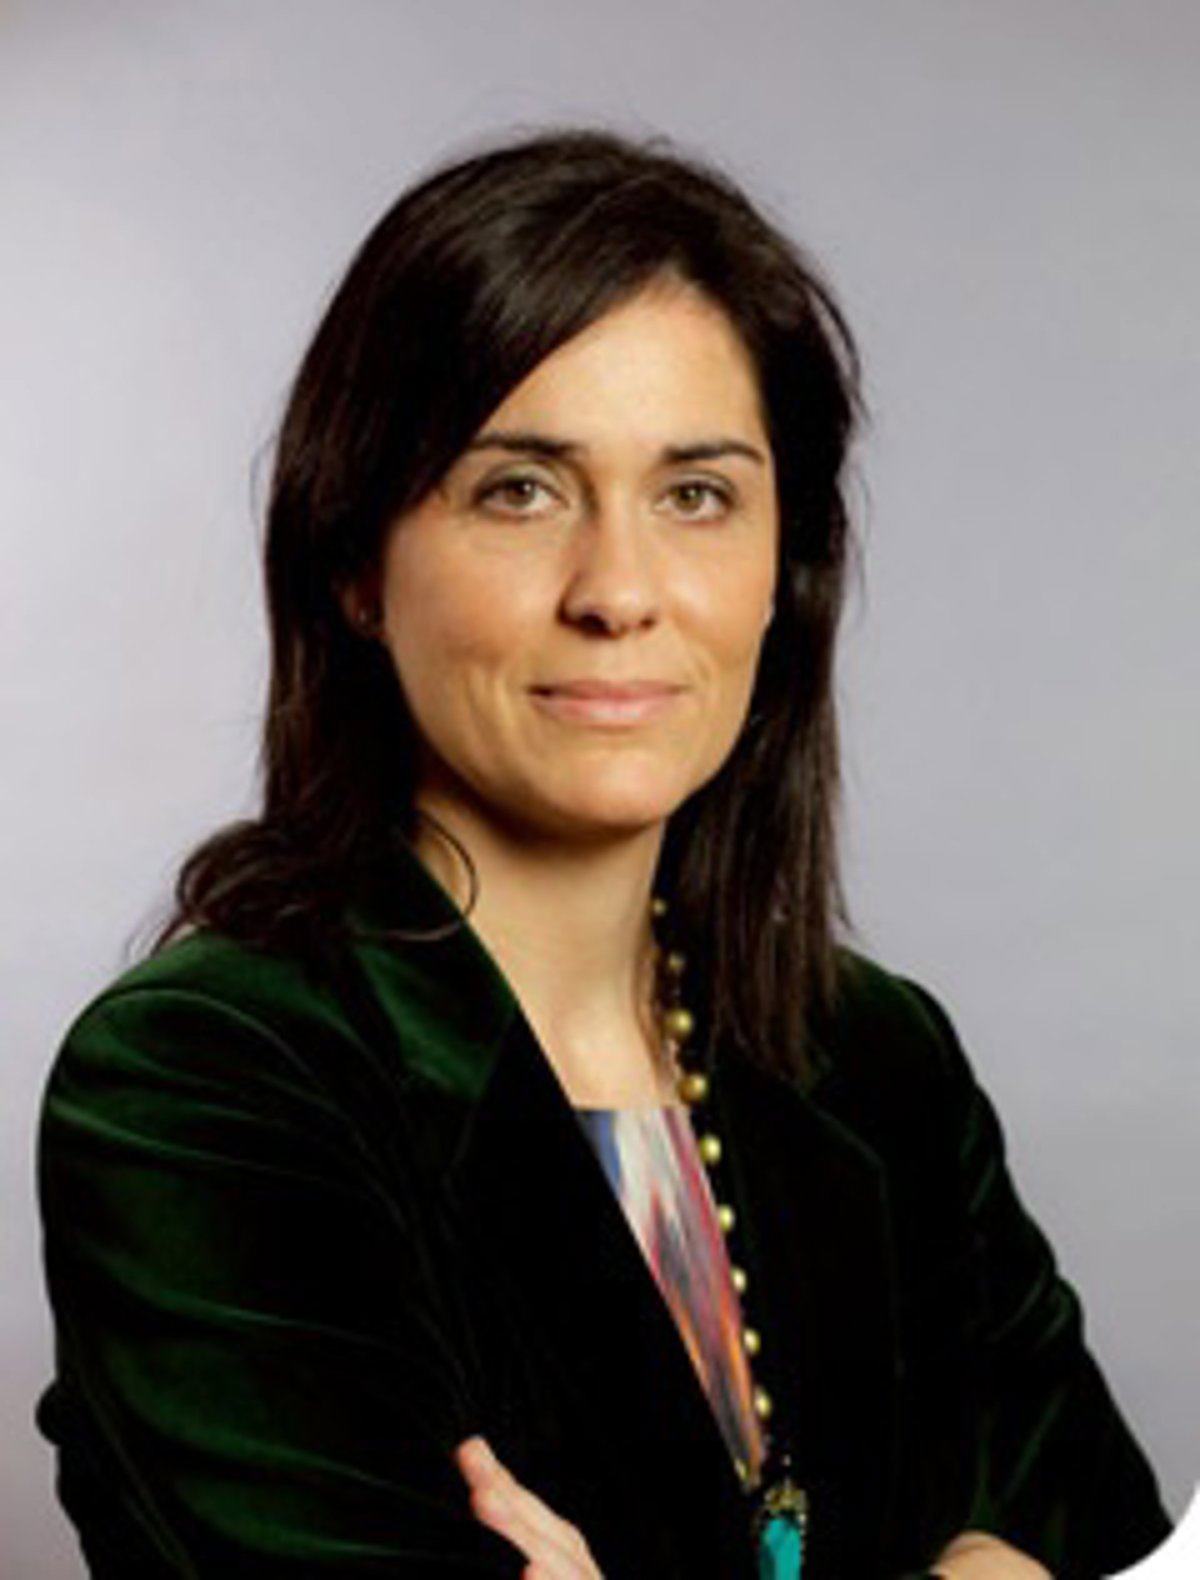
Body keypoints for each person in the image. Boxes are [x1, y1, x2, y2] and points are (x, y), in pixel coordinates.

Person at [37, 128, 1170, 1579]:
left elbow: (1116, 1536)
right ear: (357, 563)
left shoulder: (881, 1063)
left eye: (696, 494)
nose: (620, 591)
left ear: (787, 569)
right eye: (521, 488)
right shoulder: (205, 1087)